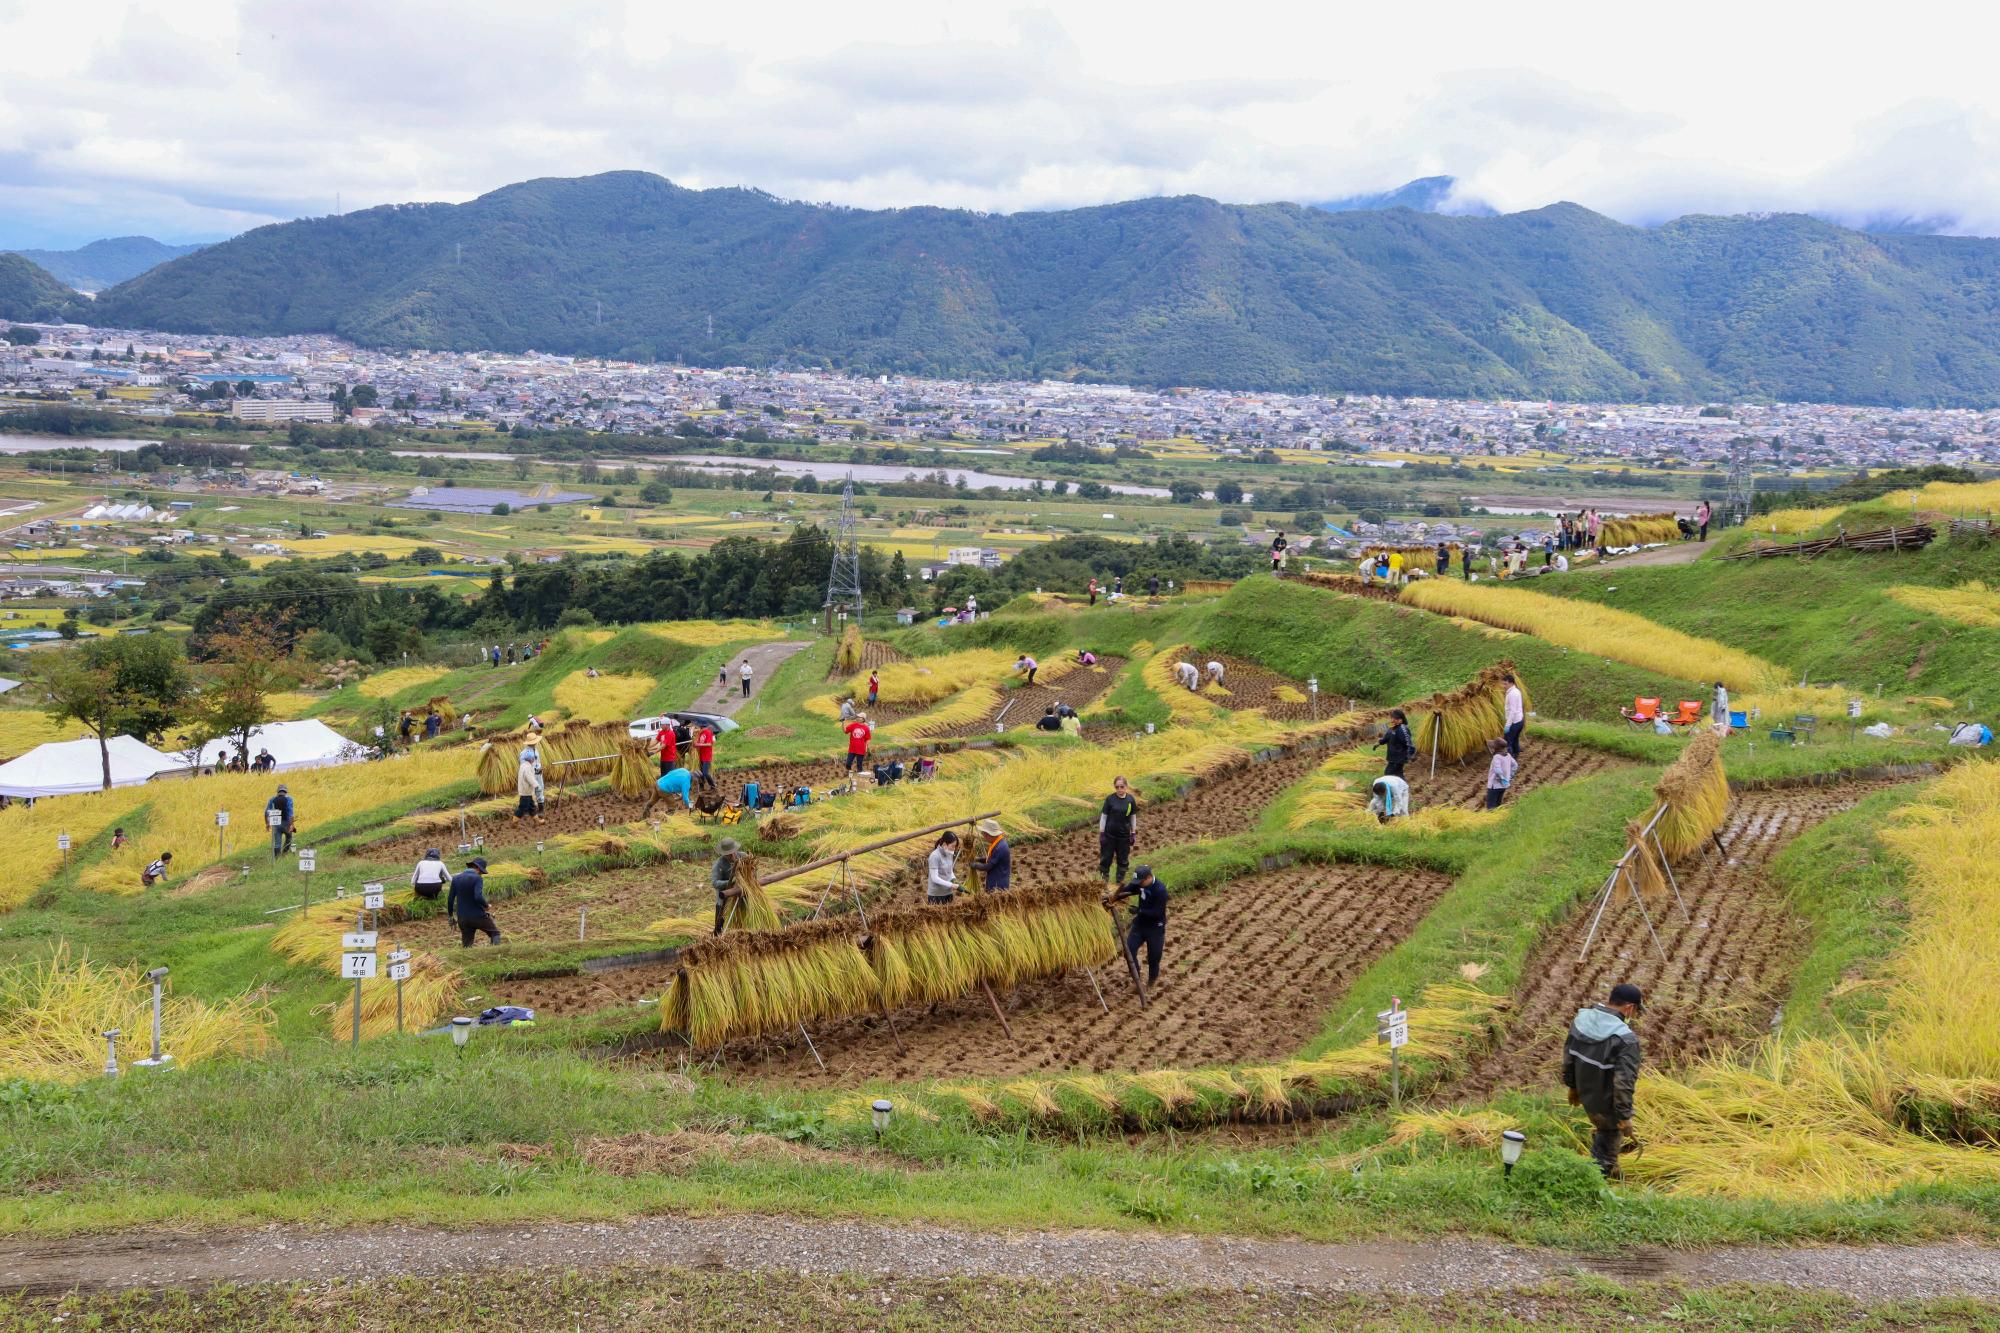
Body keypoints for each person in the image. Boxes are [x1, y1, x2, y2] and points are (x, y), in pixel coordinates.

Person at [1563, 982, 1644, 1179]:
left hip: (1586, 1091)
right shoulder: (1626, 1039)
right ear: (1630, 1008)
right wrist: (1624, 1116)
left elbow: (1569, 1055)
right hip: (1607, 1101)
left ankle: (1612, 1169)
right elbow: (1624, 1082)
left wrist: (1573, 1087)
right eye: (1636, 1011)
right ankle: (1596, 1183)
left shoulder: (1582, 1020)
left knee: (1603, 1130)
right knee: (1607, 1142)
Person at [1108, 864, 1168, 988]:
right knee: (1128, 951)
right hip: (1140, 925)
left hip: (1155, 928)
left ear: (1148, 878)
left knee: (1153, 958)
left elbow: (1157, 913)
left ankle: (1151, 981)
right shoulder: (1140, 884)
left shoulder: (1160, 890)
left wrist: (1139, 911)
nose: (1138, 884)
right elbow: (1129, 889)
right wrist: (1114, 896)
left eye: (1140, 882)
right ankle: (1137, 978)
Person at [447, 857, 502, 947]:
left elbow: (450, 900)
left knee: (467, 943)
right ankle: (496, 954)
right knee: (495, 933)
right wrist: (486, 905)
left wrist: (450, 916)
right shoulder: (477, 878)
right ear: (478, 868)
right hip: (477, 916)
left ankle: (465, 960)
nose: (481, 874)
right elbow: (478, 896)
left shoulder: (456, 878)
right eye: (481, 872)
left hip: (462, 918)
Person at [1098, 775, 1138, 883]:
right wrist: (1102, 833)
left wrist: (1133, 833)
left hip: (1124, 837)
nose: (1119, 789)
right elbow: (1104, 816)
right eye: (1117, 787)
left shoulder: (1130, 800)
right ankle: (1104, 883)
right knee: (1106, 859)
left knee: (1123, 861)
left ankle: (1119, 883)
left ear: (1126, 786)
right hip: (1109, 836)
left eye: (1122, 786)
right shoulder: (1110, 799)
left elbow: (1133, 817)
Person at [709, 838, 744, 934]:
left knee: (743, 919)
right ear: (723, 853)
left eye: (733, 852)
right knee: (720, 923)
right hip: (726, 897)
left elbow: (754, 872)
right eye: (728, 854)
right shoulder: (719, 864)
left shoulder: (744, 857)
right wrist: (730, 882)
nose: (731, 855)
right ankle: (717, 937)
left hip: (743, 896)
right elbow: (715, 883)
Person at [972, 818, 1011, 891]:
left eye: (984, 835)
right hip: (995, 881)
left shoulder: (1000, 847)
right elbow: (991, 859)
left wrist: (974, 865)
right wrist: (978, 859)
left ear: (988, 835)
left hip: (998, 886)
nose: (984, 837)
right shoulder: (997, 843)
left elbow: (987, 866)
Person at [1374, 708, 1414, 778]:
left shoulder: (1402, 729)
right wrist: (1379, 743)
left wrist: (1409, 755)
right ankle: (1403, 788)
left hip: (1398, 758)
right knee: (1398, 774)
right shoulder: (1393, 727)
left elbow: (1409, 743)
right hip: (1393, 758)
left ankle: (1389, 788)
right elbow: (1387, 738)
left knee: (1388, 774)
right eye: (1392, 718)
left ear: (1400, 720)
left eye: (1394, 718)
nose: (1392, 720)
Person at [926, 830, 961, 904]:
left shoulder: (949, 853)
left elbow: (949, 871)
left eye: (955, 846)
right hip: (936, 895)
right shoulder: (935, 856)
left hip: (948, 893)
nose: (954, 849)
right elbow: (934, 878)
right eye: (953, 846)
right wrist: (951, 885)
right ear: (945, 844)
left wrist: (954, 879)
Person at [1484, 737, 1517, 809]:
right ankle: (1497, 817)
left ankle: (1491, 819)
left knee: (1490, 806)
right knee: (1498, 805)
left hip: (1494, 786)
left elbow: (1497, 770)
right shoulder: (1508, 755)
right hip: (1503, 786)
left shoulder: (1497, 757)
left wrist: (1502, 779)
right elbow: (1515, 765)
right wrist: (1509, 777)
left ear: (1497, 748)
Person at [515, 745, 544, 822]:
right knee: (521, 808)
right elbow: (530, 778)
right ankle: (514, 822)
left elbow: (532, 773)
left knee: (532, 807)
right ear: (530, 759)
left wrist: (537, 771)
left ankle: (538, 821)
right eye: (533, 759)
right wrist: (537, 786)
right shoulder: (527, 768)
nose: (533, 760)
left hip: (527, 791)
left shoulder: (525, 765)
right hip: (525, 791)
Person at [266, 784, 295, 858]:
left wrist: (267, 823)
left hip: (276, 824)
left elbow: (266, 812)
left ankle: (277, 860)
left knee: (277, 843)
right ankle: (284, 853)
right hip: (286, 824)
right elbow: (290, 813)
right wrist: (292, 825)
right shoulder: (289, 799)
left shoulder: (272, 799)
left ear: (278, 791)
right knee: (289, 838)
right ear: (286, 792)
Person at [1502, 673, 1526, 760]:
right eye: (1503, 683)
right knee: (1515, 739)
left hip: (1514, 722)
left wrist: (1508, 725)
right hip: (1520, 721)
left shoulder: (1512, 694)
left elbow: (1513, 711)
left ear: (1511, 683)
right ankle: (1516, 755)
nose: (1503, 686)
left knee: (1507, 742)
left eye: (1505, 684)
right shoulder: (1516, 691)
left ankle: (1510, 761)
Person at [694, 723, 716, 792]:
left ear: (702, 727)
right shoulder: (700, 734)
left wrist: (699, 744)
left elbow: (709, 744)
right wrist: (695, 745)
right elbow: (697, 744)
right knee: (700, 772)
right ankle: (701, 786)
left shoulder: (708, 733)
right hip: (701, 756)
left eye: (698, 728)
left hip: (707, 756)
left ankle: (713, 786)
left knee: (705, 773)